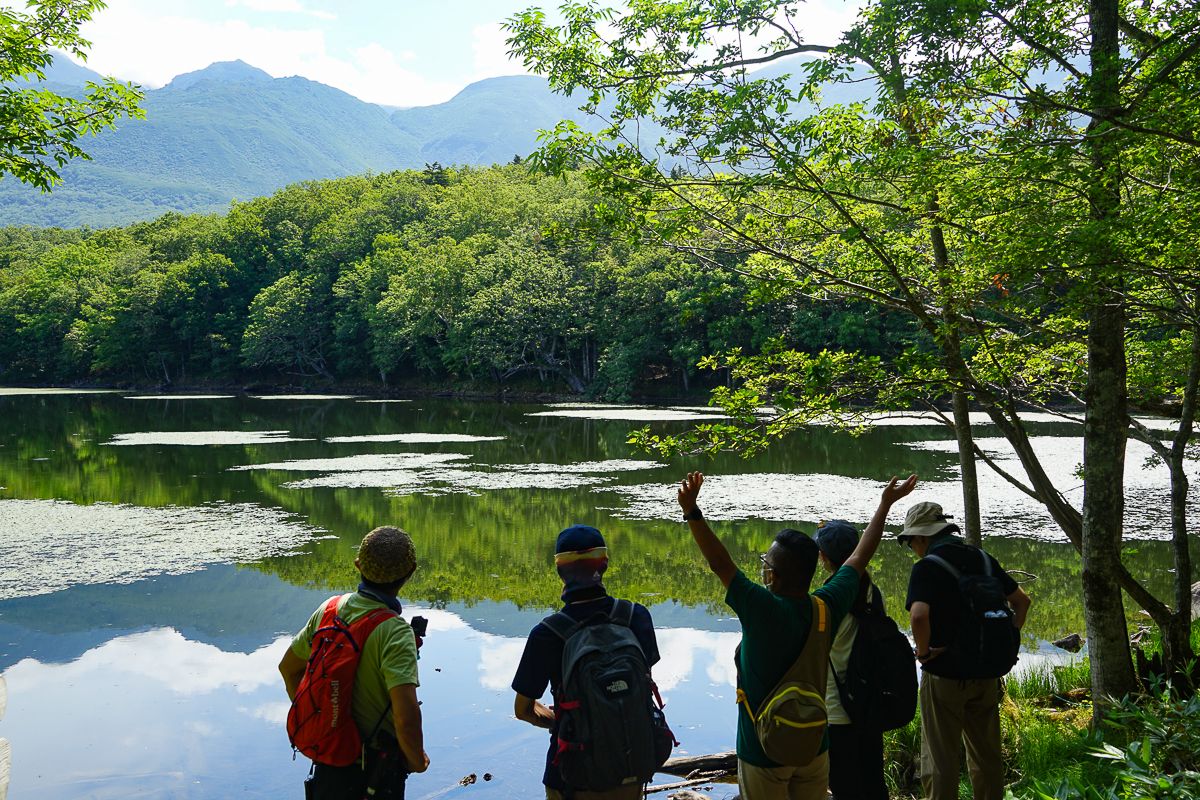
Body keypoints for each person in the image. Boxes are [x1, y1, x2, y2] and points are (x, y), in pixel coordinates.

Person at [677, 471, 917, 800]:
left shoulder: (760, 608)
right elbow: (860, 557)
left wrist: (692, 511)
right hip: (814, 746)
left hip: (762, 752)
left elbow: (720, 562)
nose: (763, 567)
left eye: (766, 562)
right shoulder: (826, 607)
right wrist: (884, 505)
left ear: (772, 575)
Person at [511, 524, 660, 800]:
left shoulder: (547, 633)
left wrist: (561, 719)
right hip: (632, 766)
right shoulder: (636, 617)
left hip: (571, 776)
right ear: (604, 565)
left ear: (559, 571)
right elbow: (636, 687)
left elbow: (523, 710)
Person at [279, 526, 429, 799]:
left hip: (328, 765)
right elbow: (405, 715)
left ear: (358, 564)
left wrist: (322, 719)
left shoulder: (330, 609)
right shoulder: (395, 632)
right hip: (374, 771)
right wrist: (417, 761)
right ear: (410, 572)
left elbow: (288, 669)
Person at [900, 502, 1033, 800]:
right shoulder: (984, 559)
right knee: (986, 756)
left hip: (944, 674)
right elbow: (1022, 602)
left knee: (940, 759)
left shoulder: (927, 567)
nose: (913, 549)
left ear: (922, 537)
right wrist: (1009, 638)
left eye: (911, 543)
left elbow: (919, 616)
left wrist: (923, 653)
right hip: (986, 672)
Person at [815, 519, 889, 800]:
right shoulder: (872, 592)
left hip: (837, 708)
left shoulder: (828, 600)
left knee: (845, 785)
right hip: (869, 701)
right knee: (873, 781)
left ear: (824, 557)